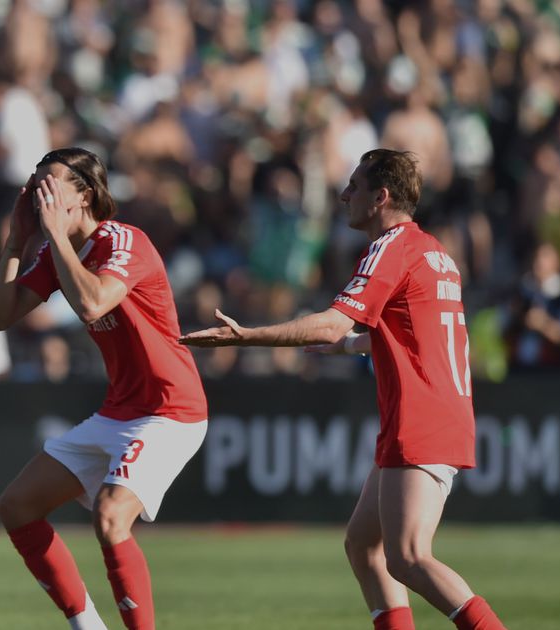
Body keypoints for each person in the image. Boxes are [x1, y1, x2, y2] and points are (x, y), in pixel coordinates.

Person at [179, 149, 507, 630]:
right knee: (364, 546)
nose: (344, 195)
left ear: (382, 197)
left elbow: (331, 324)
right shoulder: (435, 253)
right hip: (437, 410)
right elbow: (413, 333)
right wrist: (355, 346)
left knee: (409, 556)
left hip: (422, 417)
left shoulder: (390, 247)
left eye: (353, 186)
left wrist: (246, 336)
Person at [0, 147, 210, 630]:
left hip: (170, 410)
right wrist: (15, 244)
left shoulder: (124, 240)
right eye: (34, 184)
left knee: (110, 517)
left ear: (84, 194)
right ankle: (87, 626)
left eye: (50, 185)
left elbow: (92, 304)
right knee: (17, 506)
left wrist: (51, 239)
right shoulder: (52, 250)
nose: (37, 195)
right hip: (120, 411)